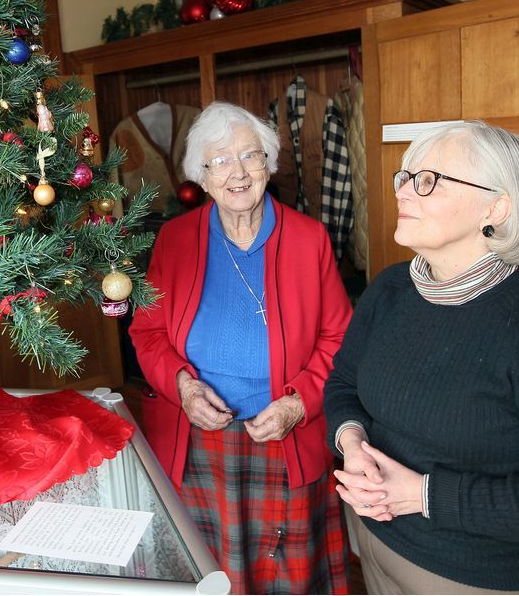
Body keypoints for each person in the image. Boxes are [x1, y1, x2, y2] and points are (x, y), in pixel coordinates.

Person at [324, 120, 519, 594]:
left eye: (428, 180)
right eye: (406, 177)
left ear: (496, 207)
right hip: (379, 545)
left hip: (495, 577)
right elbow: (344, 383)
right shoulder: (389, 290)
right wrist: (351, 440)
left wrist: (421, 494)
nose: (402, 191)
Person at [129, 101, 352, 595]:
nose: (238, 172)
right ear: (202, 177)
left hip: (285, 436)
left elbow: (340, 338)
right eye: (220, 161)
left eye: (250, 156)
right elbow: (147, 332)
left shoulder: (309, 239)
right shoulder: (175, 239)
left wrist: (299, 403)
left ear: (268, 165)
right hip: (199, 444)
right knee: (211, 572)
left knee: (290, 579)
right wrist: (183, 387)